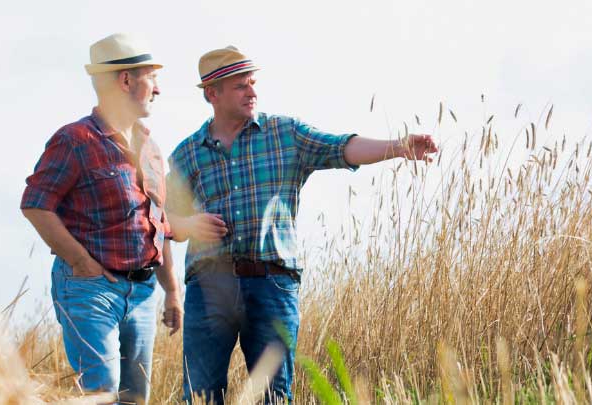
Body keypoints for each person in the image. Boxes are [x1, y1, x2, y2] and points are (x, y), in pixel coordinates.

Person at [167, 45, 438, 404]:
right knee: (201, 394)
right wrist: (190, 224)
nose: (252, 92)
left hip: (271, 284)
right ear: (212, 94)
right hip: (208, 286)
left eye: (253, 83)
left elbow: (341, 148)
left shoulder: (285, 134)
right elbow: (163, 218)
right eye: (240, 86)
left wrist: (399, 146)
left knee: (274, 395)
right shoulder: (187, 153)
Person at [21, 33, 182, 404]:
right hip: (90, 290)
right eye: (151, 77)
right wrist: (81, 262)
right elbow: (35, 204)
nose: (158, 89)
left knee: (134, 398)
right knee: (100, 394)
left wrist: (172, 291)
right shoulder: (75, 139)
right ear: (125, 80)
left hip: (142, 294)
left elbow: (158, 225)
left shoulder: (151, 147)